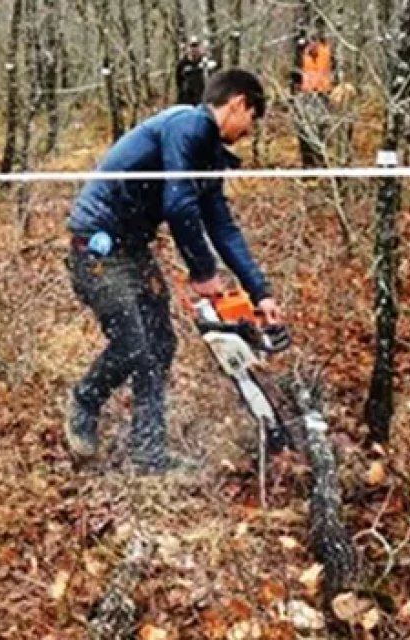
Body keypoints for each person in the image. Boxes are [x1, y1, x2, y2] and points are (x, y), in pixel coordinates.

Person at [63, 69, 282, 475]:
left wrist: (260, 292)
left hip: (132, 247)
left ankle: (148, 453)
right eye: (252, 118)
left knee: (160, 343)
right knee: (133, 343)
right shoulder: (188, 125)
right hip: (97, 244)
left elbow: (221, 225)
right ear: (237, 103)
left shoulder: (207, 153)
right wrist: (202, 270)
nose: (250, 131)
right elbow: (179, 203)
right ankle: (85, 400)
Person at [294, 31, 336, 168]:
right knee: (306, 129)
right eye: (310, 41)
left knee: (321, 129)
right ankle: (309, 163)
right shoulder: (302, 55)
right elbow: (296, 75)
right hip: (307, 95)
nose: (312, 44)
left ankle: (321, 161)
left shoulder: (328, 53)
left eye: (315, 41)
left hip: (323, 95)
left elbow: (335, 70)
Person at [176, 37, 210, 106]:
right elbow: (178, 81)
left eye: (196, 46)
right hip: (186, 100)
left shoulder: (204, 62)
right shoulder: (182, 63)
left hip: (201, 98)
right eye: (191, 46)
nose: (193, 49)